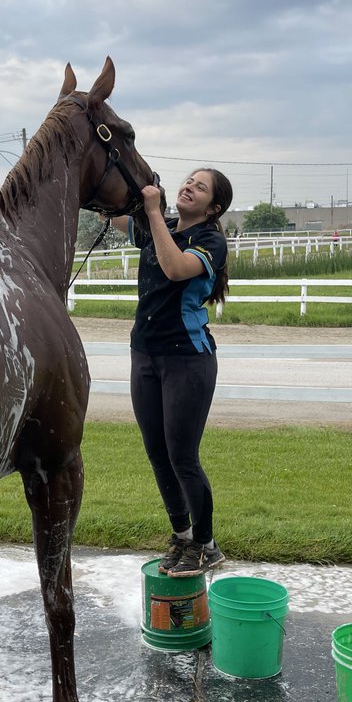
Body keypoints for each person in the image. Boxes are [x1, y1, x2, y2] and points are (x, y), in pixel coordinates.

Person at [110, 168, 233, 578]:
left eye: (200, 187)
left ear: (214, 207)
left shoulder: (209, 240)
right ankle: (182, 536)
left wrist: (153, 213)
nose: (188, 187)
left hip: (187, 359)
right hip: (144, 355)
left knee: (183, 456)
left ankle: (206, 544)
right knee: (158, 453)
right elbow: (110, 213)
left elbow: (176, 268)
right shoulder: (153, 228)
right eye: (188, 181)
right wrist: (124, 179)